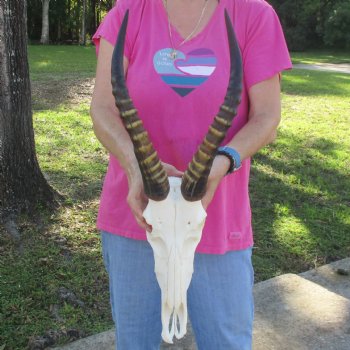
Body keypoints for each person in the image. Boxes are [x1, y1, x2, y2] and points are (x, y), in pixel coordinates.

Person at [90, 0, 292, 349]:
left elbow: (266, 116)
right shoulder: (128, 12)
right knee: (135, 342)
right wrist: (134, 167)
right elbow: (104, 109)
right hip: (139, 213)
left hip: (215, 220)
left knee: (225, 341)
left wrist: (224, 160)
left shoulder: (253, 15)